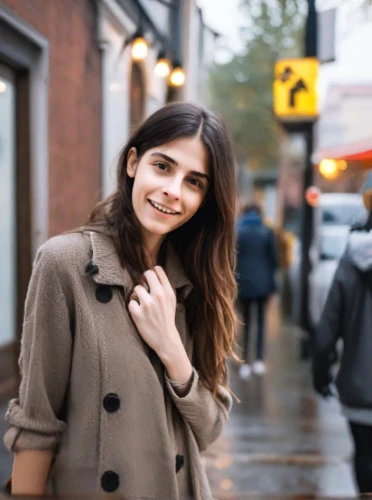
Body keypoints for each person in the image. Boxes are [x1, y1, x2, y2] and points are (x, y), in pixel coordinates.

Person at [3, 102, 237, 499]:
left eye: (194, 182)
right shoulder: (65, 264)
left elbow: (209, 428)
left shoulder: (194, 281)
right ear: (133, 163)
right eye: (162, 166)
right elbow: (37, 427)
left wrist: (170, 348)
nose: (172, 190)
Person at [312, 172, 372, 494]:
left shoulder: (351, 260)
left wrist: (321, 375)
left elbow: (326, 331)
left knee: (365, 454)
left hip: (361, 385)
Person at [236, 203, 277, 378]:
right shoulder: (267, 231)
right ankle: (259, 360)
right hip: (263, 284)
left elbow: (234, 260)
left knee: (245, 323)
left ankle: (245, 361)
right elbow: (273, 260)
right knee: (261, 322)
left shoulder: (239, 232)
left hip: (243, 284)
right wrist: (273, 287)